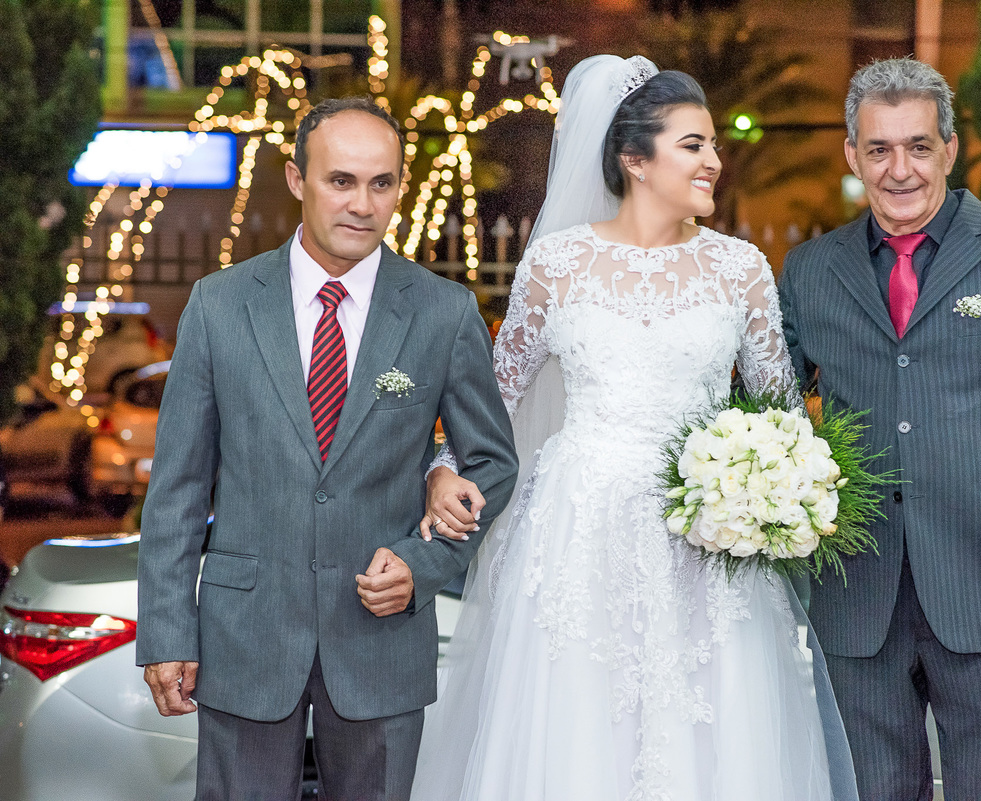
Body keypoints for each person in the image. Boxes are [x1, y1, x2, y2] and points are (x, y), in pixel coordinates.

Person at [411, 55, 858, 801]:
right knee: (579, 732)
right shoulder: (557, 264)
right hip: (579, 532)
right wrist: (443, 466)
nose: (715, 160)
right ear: (633, 158)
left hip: (707, 541)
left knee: (709, 734)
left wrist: (777, 480)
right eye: (694, 145)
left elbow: (781, 412)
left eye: (714, 145)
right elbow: (496, 399)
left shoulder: (740, 268)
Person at [135, 96, 518, 800]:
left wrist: (426, 564)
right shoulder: (218, 304)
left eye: (382, 183)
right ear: (295, 179)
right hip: (245, 635)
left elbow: (492, 460)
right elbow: (179, 486)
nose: (363, 204)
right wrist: (165, 629)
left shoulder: (443, 311)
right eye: (341, 180)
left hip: (382, 643)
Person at [778, 57, 981, 800]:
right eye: (880, 149)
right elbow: (771, 419)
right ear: (851, 154)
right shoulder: (809, 270)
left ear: (950, 150)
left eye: (919, 146)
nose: (900, 169)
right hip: (856, 599)